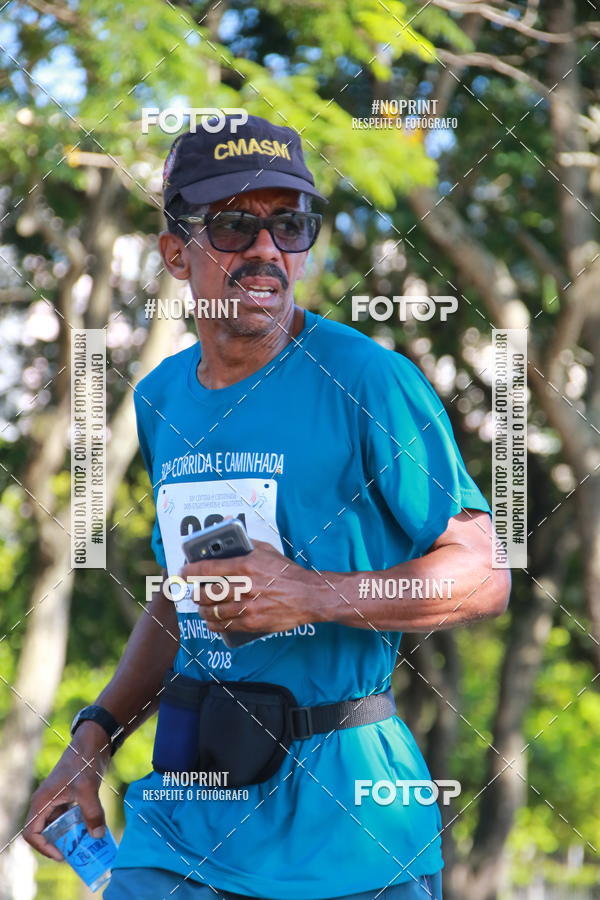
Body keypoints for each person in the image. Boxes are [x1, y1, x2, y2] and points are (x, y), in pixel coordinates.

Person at [24, 114, 510, 900]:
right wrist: (93, 737)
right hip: (186, 812)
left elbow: (485, 574)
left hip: (346, 827)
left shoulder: (369, 379)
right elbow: (179, 595)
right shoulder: (161, 397)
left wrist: (312, 595)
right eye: (233, 225)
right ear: (176, 252)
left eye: (289, 224)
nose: (266, 249)